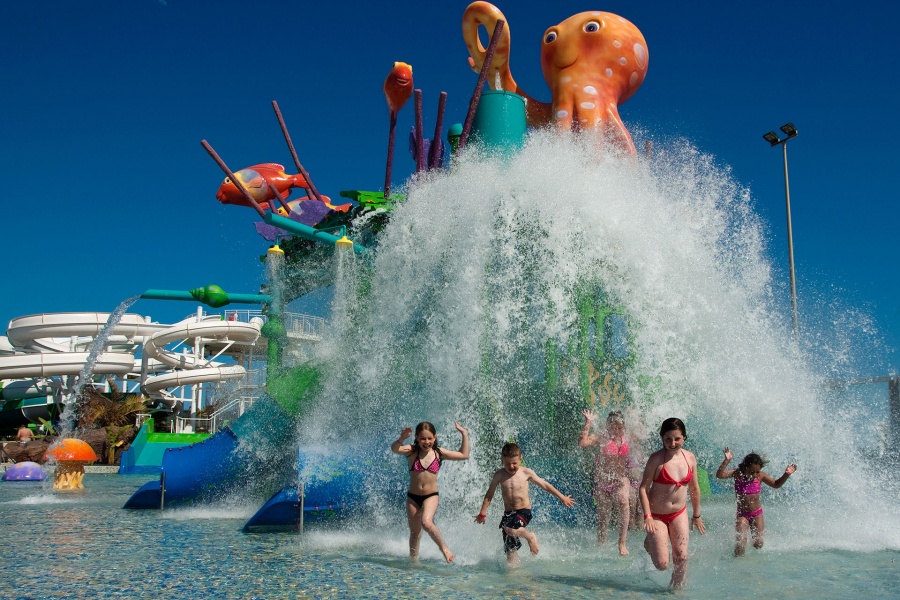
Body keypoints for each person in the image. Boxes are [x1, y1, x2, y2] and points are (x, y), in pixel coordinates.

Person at [474, 442, 576, 567]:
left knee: (510, 528)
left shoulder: (526, 473)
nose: (511, 466)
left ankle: (530, 537)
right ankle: (514, 572)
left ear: (520, 459)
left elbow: (545, 485)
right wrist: (482, 513)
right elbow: (489, 494)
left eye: (514, 463)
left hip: (523, 512)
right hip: (508, 514)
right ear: (502, 461)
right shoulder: (499, 475)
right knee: (510, 548)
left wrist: (562, 497)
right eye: (507, 464)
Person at [639, 417, 705, 589]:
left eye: (677, 438)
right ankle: (650, 542)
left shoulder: (690, 458)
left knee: (681, 557)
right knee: (662, 565)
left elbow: (695, 489)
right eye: (668, 438)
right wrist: (648, 517)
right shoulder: (656, 460)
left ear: (684, 438)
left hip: (679, 513)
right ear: (662, 437)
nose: (672, 443)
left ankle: (675, 591)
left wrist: (696, 515)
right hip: (657, 516)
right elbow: (643, 488)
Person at [391, 421, 470, 563]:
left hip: (430, 496)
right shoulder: (412, 451)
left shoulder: (439, 452)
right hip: (413, 498)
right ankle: (413, 561)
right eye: (422, 438)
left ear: (434, 437)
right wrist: (402, 438)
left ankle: (444, 549)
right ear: (416, 438)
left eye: (429, 438)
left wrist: (464, 433)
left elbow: (464, 454)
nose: (426, 442)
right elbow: (395, 449)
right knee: (415, 533)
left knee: (426, 523)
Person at [715, 448, 797, 556]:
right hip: (742, 514)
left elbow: (776, 484)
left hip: (757, 514)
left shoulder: (760, 476)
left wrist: (786, 474)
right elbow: (719, 475)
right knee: (740, 544)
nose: (754, 474)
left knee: (758, 544)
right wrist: (727, 460)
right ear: (745, 467)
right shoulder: (737, 474)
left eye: (757, 471)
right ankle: (738, 566)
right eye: (752, 471)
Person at [578, 409, 632, 554]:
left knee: (623, 502)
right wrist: (588, 423)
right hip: (603, 483)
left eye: (619, 426)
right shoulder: (602, 437)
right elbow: (582, 443)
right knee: (604, 517)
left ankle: (622, 544)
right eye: (613, 426)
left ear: (623, 426)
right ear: (607, 425)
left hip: (620, 480)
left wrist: (636, 417)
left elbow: (644, 435)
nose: (616, 429)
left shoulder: (627, 437)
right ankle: (601, 544)